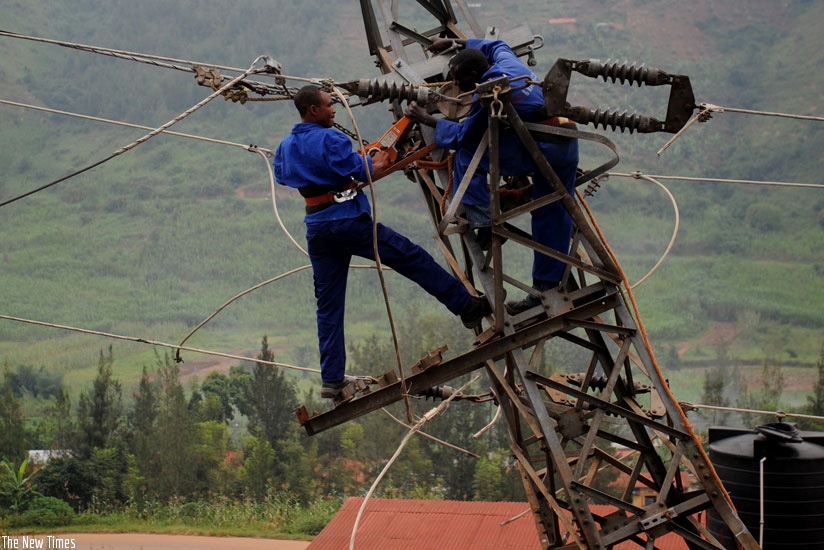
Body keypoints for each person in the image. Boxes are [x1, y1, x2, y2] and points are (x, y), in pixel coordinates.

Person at [274, 85, 492, 399]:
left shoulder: (285, 147)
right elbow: (364, 168)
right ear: (313, 110)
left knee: (329, 305)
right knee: (410, 257)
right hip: (347, 221)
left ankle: (332, 378)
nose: (334, 110)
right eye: (329, 105)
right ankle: (465, 305)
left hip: (317, 226)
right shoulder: (331, 138)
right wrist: (373, 161)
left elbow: (286, 175)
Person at [405, 38, 579, 314]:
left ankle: (482, 216)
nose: (459, 87)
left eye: (461, 80)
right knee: (552, 214)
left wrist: (427, 119)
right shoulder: (507, 63)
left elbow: (462, 136)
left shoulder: (489, 93)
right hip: (566, 142)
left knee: (467, 155)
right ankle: (546, 286)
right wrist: (456, 42)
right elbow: (497, 44)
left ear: (476, 75)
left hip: (541, 150)